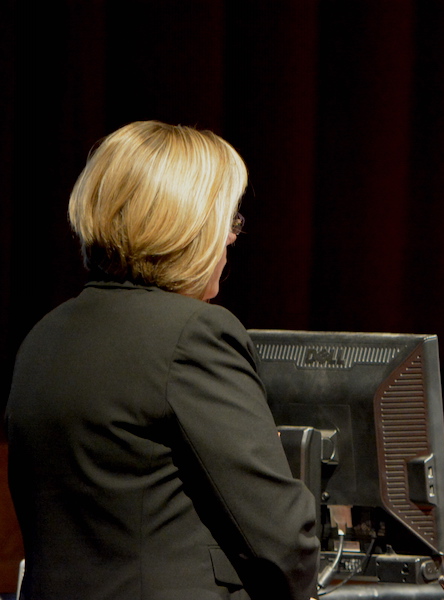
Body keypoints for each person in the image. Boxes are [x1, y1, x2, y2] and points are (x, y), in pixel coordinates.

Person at [5, 121, 319, 599]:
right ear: (184, 223)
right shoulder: (194, 335)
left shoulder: (44, 336)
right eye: (226, 220)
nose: (232, 238)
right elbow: (281, 540)